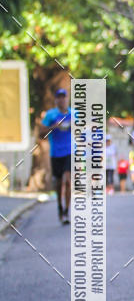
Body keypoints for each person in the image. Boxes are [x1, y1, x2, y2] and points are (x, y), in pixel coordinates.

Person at [42, 87, 72, 225]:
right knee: (59, 183)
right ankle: (60, 207)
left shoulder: (74, 113)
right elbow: (41, 133)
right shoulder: (50, 115)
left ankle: (67, 211)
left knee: (67, 180)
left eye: (63, 97)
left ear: (67, 99)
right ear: (56, 100)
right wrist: (53, 127)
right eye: (59, 97)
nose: (61, 99)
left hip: (70, 152)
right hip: (55, 153)